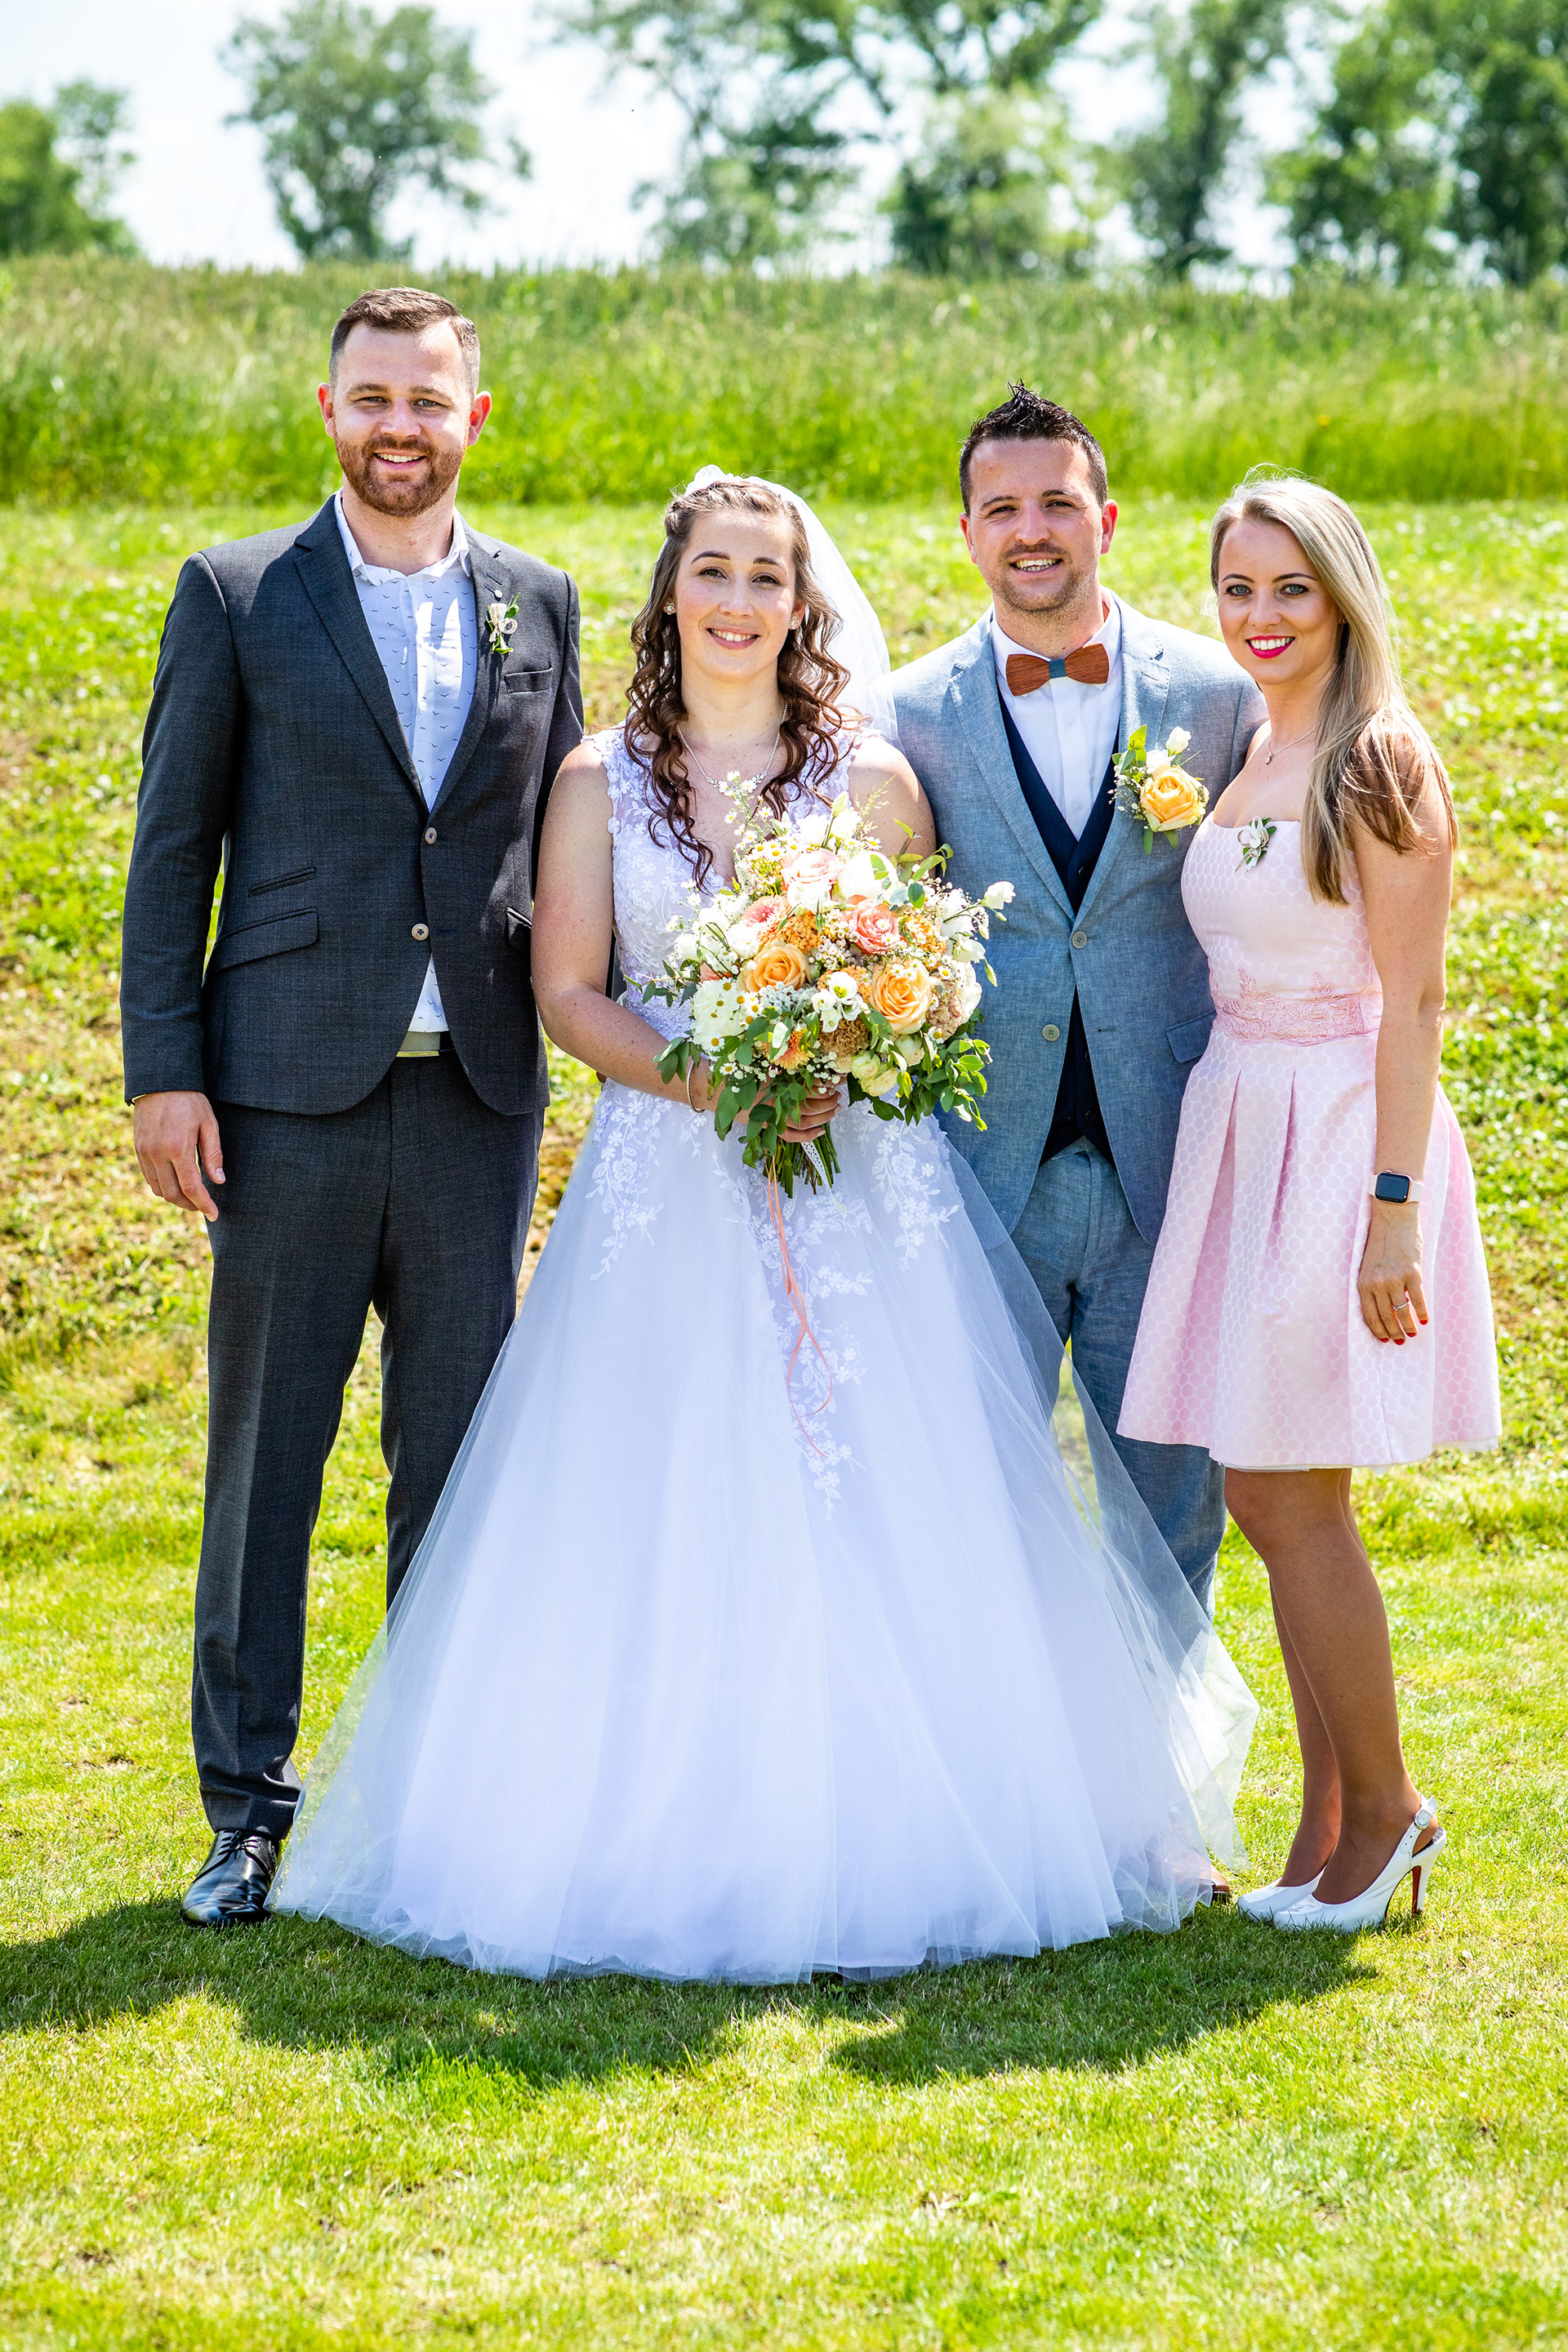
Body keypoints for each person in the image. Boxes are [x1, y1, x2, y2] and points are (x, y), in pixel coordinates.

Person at [269, 473, 1256, 1982]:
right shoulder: (597, 779)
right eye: (714, 572)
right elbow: (568, 992)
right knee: (657, 1484)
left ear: (803, 604)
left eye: (765, 578)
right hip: (663, 1183)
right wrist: (713, 1078)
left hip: (853, 1179)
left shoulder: (872, 777)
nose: (738, 601)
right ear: (671, 591)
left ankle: (942, 1816)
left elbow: (935, 972)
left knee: (892, 1483)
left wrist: (849, 1044)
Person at [120, 286, 582, 1929]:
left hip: (480, 1099)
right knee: (267, 1468)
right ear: (330, 410)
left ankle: (427, 1806)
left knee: (455, 1467)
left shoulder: (541, 603)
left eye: (428, 399)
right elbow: (173, 846)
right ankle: (247, 1814)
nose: (401, 425)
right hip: (283, 1096)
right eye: (373, 397)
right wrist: (163, 1069)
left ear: (475, 418)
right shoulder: (239, 593)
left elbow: (572, 842)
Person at [1118, 474, 1500, 1932]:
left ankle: (1390, 1812)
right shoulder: (1257, 745)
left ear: (1343, 596)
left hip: (1340, 1129)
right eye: (1239, 588)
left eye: (1292, 588)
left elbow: (1416, 1000)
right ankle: (1327, 1828)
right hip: (1244, 1115)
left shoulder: (1379, 760)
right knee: (1273, 1484)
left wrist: (1393, 1207)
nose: (1261, 615)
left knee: (1285, 1489)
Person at [890, 385, 1265, 1615]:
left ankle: (1165, 1744)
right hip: (980, 1171)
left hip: (1171, 1162)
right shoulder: (905, 715)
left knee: (1169, 1512)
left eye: (1057, 502)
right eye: (1001, 508)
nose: (1031, 530)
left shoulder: (1217, 696)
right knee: (972, 1505)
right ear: (967, 533)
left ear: (1105, 518)